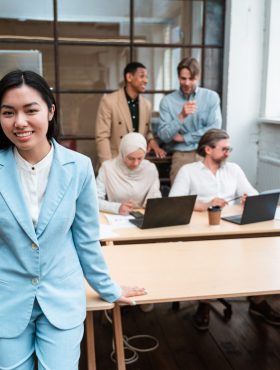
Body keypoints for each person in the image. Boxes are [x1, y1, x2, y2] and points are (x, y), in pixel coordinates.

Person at [0, 70, 146, 370]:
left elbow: (85, 238)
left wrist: (109, 288)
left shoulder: (78, 167)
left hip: (61, 298)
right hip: (7, 300)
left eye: (31, 110)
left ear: (51, 111)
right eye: (8, 113)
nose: (20, 122)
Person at [169, 128, 280, 330]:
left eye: (230, 149)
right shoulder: (189, 171)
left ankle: (257, 300)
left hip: (232, 228)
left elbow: (253, 193)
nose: (228, 153)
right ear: (208, 149)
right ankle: (204, 302)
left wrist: (249, 199)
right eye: (224, 149)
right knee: (208, 255)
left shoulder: (234, 170)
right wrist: (205, 204)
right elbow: (174, 201)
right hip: (202, 230)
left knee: (259, 250)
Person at [157, 57, 222, 184]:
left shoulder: (211, 97)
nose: (186, 83)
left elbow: (214, 130)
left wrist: (185, 138)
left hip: (206, 154)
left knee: (209, 196)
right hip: (181, 156)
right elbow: (164, 136)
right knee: (179, 200)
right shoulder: (167, 101)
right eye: (183, 78)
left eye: (191, 79)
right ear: (178, 77)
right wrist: (181, 116)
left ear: (198, 77)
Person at [95, 61, 166, 166]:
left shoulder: (147, 104)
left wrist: (151, 140)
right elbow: (102, 137)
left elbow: (147, 132)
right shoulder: (109, 101)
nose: (146, 81)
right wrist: (107, 166)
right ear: (129, 77)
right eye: (142, 76)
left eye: (147, 77)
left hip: (138, 163)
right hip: (115, 161)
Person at [96, 132, 161, 215]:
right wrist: (117, 207)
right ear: (122, 153)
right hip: (115, 218)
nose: (135, 163)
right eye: (131, 158)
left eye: (140, 158)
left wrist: (152, 206)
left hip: (143, 218)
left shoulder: (150, 169)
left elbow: (155, 197)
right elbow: (95, 200)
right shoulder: (107, 168)